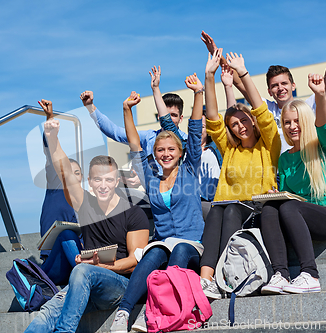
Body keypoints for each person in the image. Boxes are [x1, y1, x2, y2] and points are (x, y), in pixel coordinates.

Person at [24, 100, 150, 333]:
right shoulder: (85, 204)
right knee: (45, 316)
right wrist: (52, 137)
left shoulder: (134, 214)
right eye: (97, 180)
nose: (103, 185)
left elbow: (134, 262)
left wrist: (100, 266)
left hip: (117, 284)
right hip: (83, 285)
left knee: (81, 270)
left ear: (116, 181)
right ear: (90, 182)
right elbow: (64, 169)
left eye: (108, 179)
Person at [109, 87, 205, 333]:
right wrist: (126, 110)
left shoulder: (190, 170)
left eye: (171, 150)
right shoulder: (151, 178)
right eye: (161, 150)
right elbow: (134, 145)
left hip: (191, 244)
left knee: (180, 250)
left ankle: (158, 310)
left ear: (180, 153)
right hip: (163, 242)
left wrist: (198, 93)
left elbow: (194, 131)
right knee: (152, 254)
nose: (166, 154)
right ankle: (124, 312)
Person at [201, 16, 326, 152]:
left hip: (305, 167)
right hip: (277, 173)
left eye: (284, 83)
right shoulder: (267, 109)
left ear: (293, 86)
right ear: (269, 91)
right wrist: (217, 55)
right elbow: (240, 82)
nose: (280, 88)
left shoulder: (308, 107)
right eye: (275, 85)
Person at [199, 49, 280, 299]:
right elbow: (213, 118)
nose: (240, 126)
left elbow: (263, 113)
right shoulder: (230, 149)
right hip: (226, 211)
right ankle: (205, 280)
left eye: (244, 121)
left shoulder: (269, 145)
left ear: (253, 121)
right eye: (234, 124)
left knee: (230, 208)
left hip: (255, 211)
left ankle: (224, 273)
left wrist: (243, 74)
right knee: (218, 208)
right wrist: (209, 77)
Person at [260, 74, 326, 294]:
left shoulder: (323, 146)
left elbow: (322, 122)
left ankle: (310, 274)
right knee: (271, 207)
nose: (292, 126)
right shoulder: (285, 158)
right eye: (287, 122)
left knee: (289, 207)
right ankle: (280, 274)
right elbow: (291, 197)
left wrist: (320, 95)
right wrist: (278, 194)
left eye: (297, 120)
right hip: (301, 216)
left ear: (306, 121)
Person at [149, 66, 220, 217]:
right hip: (191, 202)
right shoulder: (187, 148)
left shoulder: (218, 148)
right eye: (197, 126)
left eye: (203, 126)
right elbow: (167, 123)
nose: (200, 130)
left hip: (216, 203)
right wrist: (155, 89)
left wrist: (200, 91)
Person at [38, 102, 84, 285]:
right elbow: (50, 153)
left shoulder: (84, 200)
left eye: (77, 173)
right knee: (66, 235)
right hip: (54, 260)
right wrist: (50, 123)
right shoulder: (56, 186)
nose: (73, 176)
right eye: (68, 172)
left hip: (78, 258)